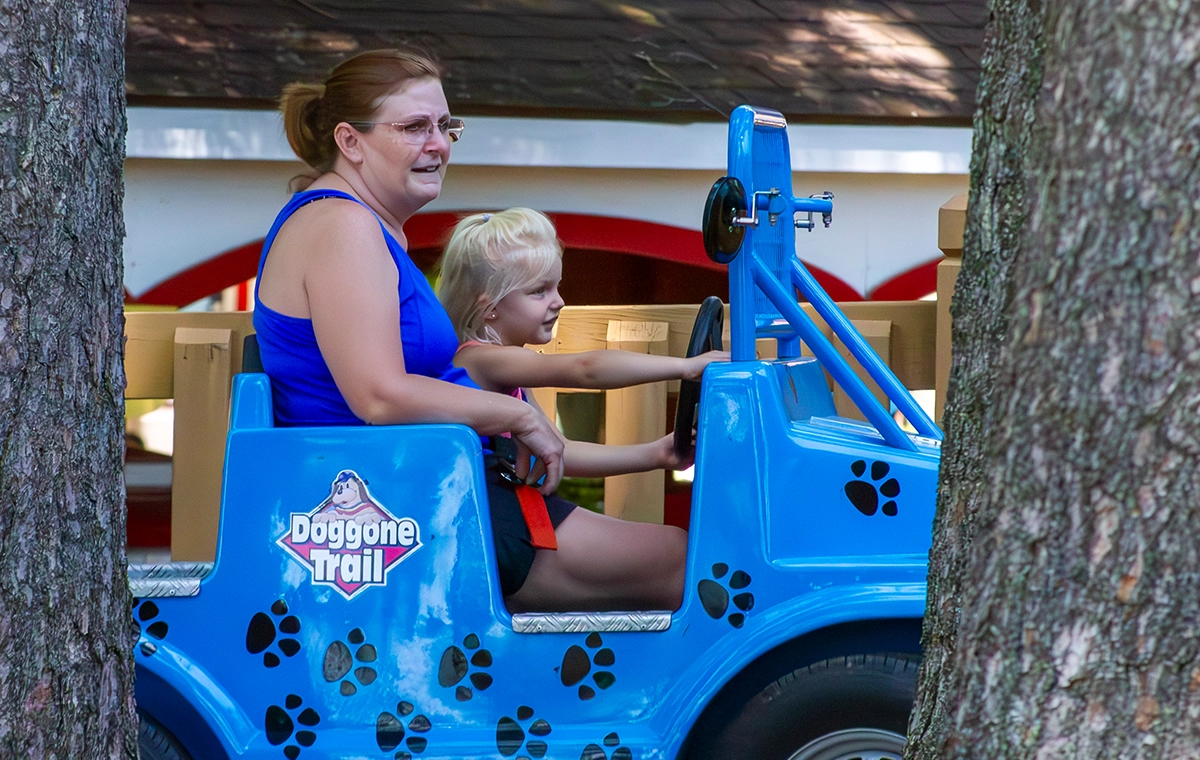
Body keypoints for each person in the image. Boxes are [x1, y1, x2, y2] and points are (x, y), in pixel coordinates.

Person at [254, 49, 686, 612]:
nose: (438, 144)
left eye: (444, 126)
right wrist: (518, 414)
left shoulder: (356, 226)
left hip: (418, 494)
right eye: (413, 127)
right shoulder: (343, 227)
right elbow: (379, 395)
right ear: (350, 141)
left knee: (676, 555)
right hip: (391, 514)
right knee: (685, 561)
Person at [438, 207, 728, 480]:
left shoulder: (509, 372)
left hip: (513, 505)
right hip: (496, 511)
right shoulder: (482, 361)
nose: (559, 301)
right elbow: (585, 368)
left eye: (557, 287)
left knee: (673, 538)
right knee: (675, 538)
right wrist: (685, 366)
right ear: (490, 307)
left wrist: (656, 454)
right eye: (539, 291)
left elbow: (561, 450)